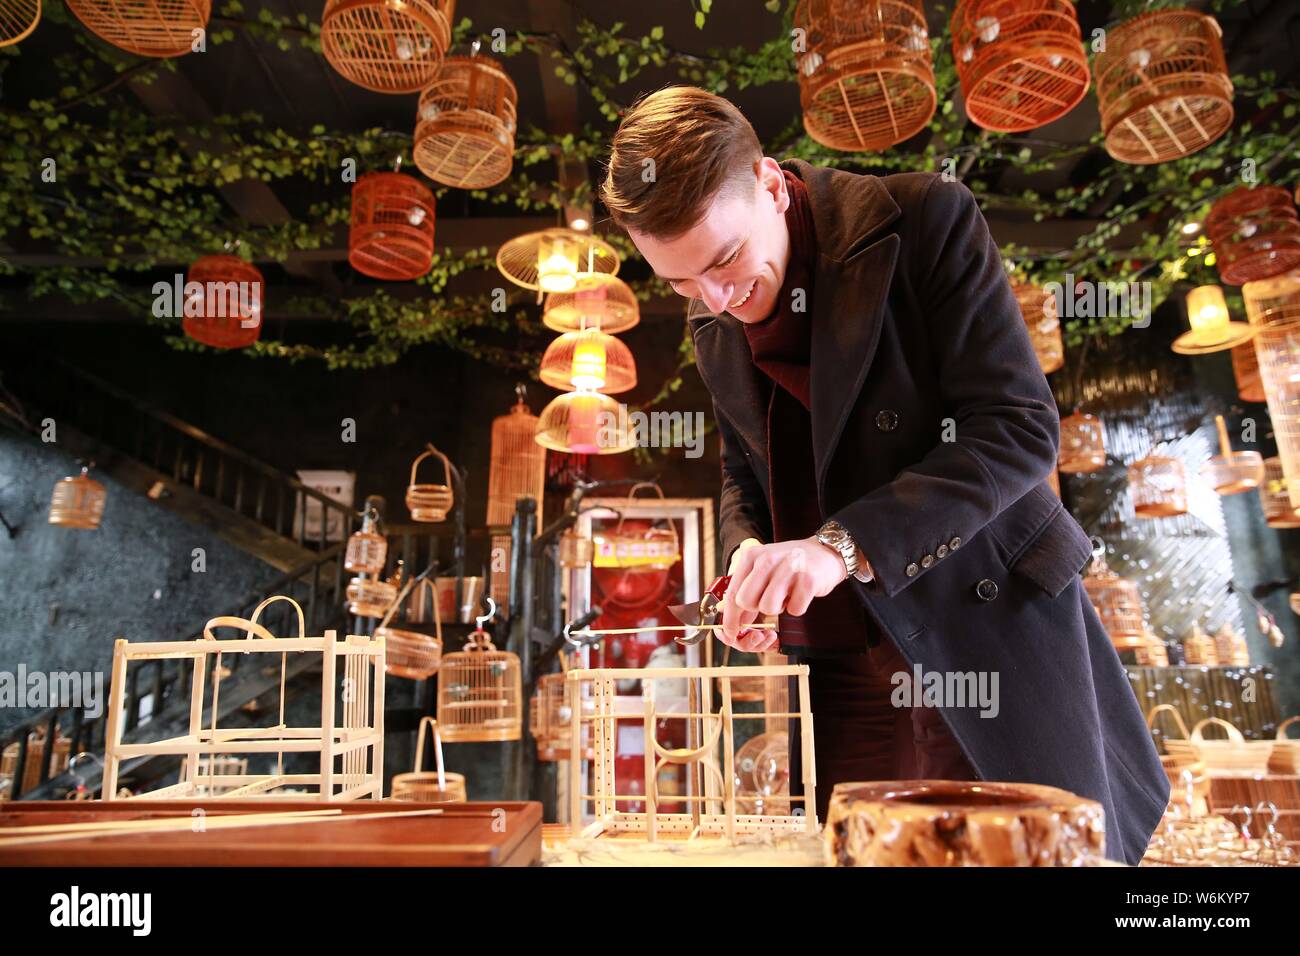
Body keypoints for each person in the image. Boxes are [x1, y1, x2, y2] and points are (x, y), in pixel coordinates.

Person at [598, 85, 1170, 864]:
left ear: (769, 183)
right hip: (835, 654)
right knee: (863, 853)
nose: (719, 300)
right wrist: (746, 555)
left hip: (980, 624)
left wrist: (836, 547)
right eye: (682, 284)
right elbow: (743, 473)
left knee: (1012, 853)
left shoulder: (926, 217)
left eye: (728, 261)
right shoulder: (712, 316)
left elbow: (1016, 429)